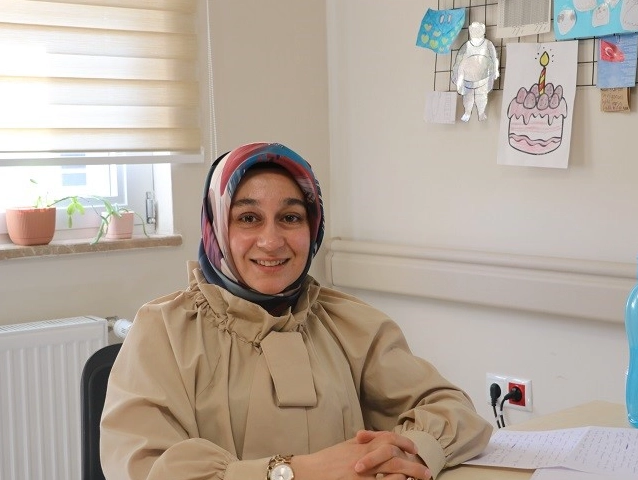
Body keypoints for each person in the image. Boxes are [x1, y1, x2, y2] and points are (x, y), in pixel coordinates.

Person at [100, 142, 493, 480]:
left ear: (313, 227)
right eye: (248, 218)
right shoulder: (163, 330)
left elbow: (453, 410)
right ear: (217, 228)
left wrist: (408, 454)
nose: (271, 241)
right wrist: (298, 471)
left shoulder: (351, 323)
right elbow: (146, 469)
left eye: (290, 218)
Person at [451, 22, 500, 122]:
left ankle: (481, 112)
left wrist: (495, 70)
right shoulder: (467, 45)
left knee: (481, 95)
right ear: (470, 31)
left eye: (478, 30)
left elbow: (494, 57)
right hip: (468, 77)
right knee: (468, 96)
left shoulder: (488, 44)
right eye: (473, 30)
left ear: (483, 31)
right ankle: (467, 112)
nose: (475, 32)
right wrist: (456, 75)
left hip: (483, 76)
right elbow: (458, 61)